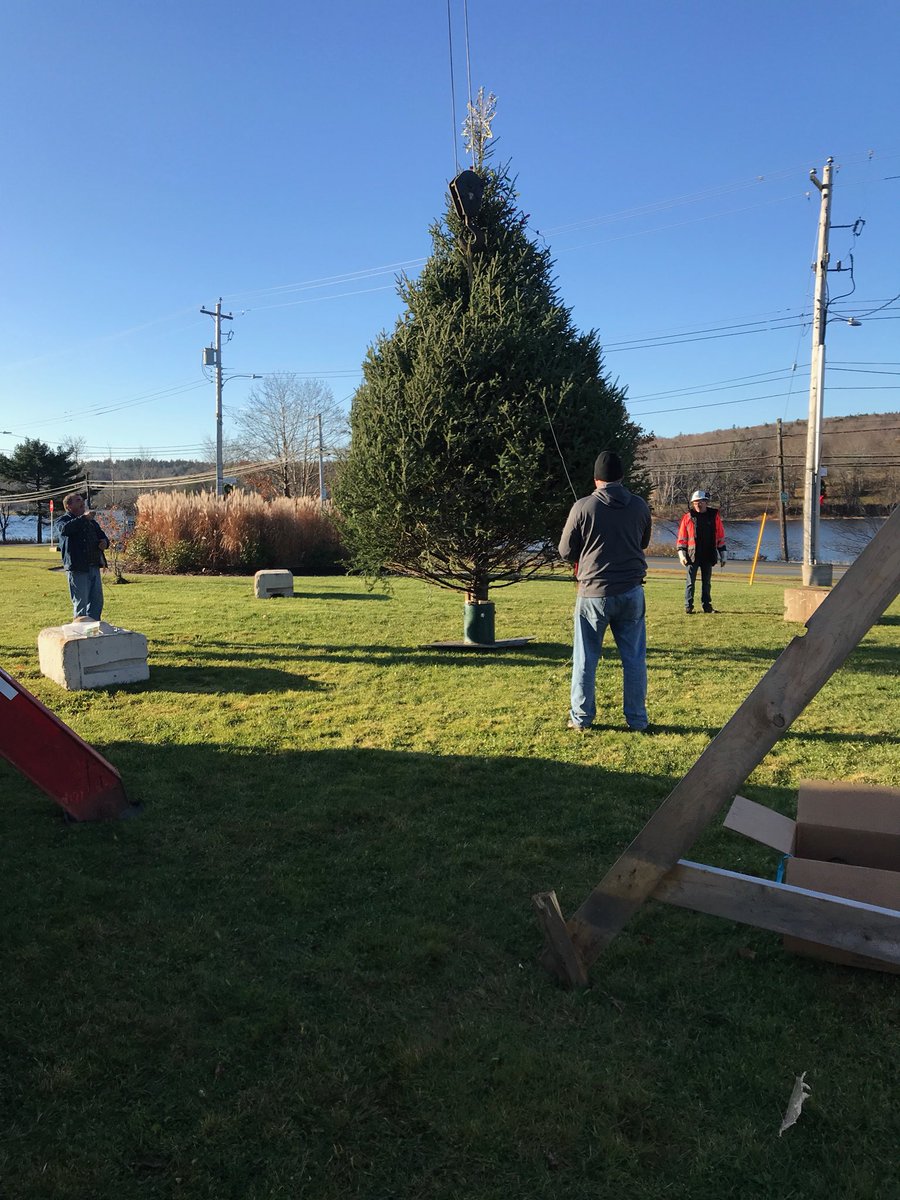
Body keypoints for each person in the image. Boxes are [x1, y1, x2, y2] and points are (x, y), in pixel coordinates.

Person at [558, 450, 652, 733]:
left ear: (596, 479)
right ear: (621, 477)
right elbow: (644, 542)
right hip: (632, 592)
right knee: (634, 660)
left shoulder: (583, 506)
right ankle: (637, 720)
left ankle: (582, 718)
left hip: (593, 594)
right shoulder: (639, 506)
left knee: (586, 658)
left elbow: (565, 551)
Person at [57, 492, 110, 620]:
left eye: (82, 501)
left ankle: (93, 633)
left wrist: (104, 542)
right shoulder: (63, 520)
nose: (82, 503)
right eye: (78, 500)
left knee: (97, 603)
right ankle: (80, 635)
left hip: (94, 567)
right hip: (78, 568)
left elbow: (102, 536)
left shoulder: (91, 522)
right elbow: (65, 530)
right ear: (69, 506)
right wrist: (84, 519)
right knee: (81, 604)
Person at [676, 489, 726, 614]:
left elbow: (720, 536)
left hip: (708, 554)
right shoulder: (687, 518)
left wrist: (723, 554)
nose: (698, 504)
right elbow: (682, 538)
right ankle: (688, 606)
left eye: (701, 501)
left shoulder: (714, 516)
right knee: (690, 583)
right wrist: (681, 554)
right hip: (692, 556)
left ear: (706, 502)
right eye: (696, 502)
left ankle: (707, 607)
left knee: (707, 583)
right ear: (693, 503)